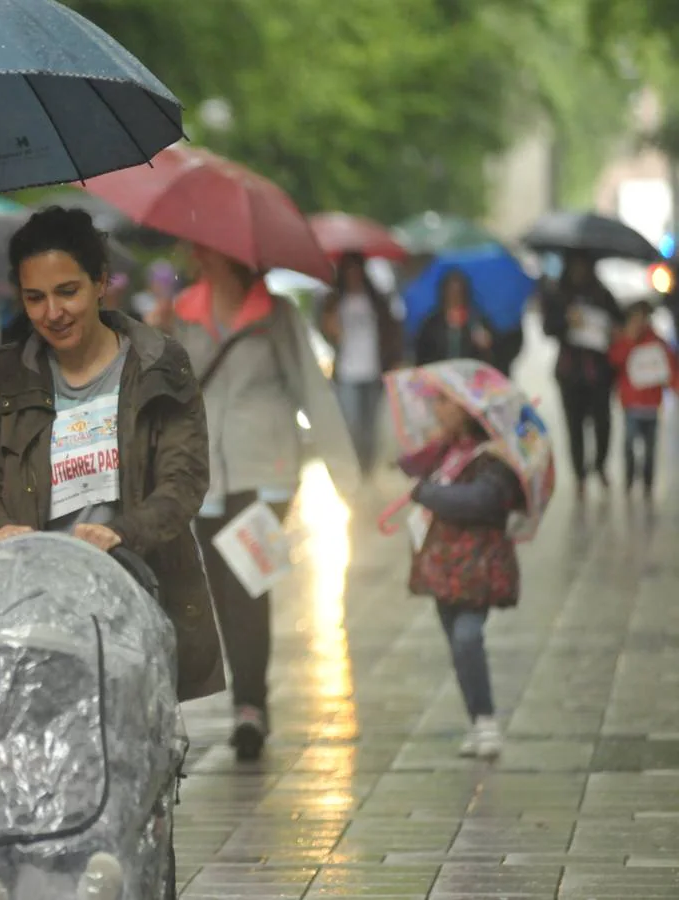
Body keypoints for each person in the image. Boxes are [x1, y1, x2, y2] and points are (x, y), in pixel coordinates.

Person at [0, 206, 223, 705]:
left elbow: (183, 481)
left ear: (101, 282)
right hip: (37, 614)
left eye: (67, 291)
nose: (52, 312)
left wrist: (122, 532)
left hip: (138, 601)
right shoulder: (5, 377)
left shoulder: (158, 364)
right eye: (35, 298)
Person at [150, 243, 358, 761]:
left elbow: (311, 388)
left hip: (268, 472)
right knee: (221, 589)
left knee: (248, 582)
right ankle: (248, 702)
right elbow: (164, 390)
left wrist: (345, 477)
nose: (204, 259)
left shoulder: (276, 313)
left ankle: (250, 709)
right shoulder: (182, 313)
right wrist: (154, 337)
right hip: (205, 473)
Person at [397, 390, 525, 759]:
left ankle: (485, 721)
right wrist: (433, 446)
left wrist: (428, 493)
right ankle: (477, 720)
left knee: (467, 637)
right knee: (457, 645)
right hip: (443, 567)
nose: (436, 409)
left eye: (443, 402)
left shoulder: (493, 457)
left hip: (478, 568)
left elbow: (480, 501)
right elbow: (405, 464)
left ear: (467, 410)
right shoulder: (445, 450)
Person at [541, 251, 623, 494]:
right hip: (570, 371)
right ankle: (580, 474)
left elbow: (617, 322)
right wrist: (567, 321)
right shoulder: (558, 295)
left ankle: (600, 464)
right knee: (574, 426)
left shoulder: (602, 294)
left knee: (602, 423)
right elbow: (548, 328)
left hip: (599, 372)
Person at [317, 253, 403, 477]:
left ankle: (368, 468)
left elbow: (391, 331)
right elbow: (328, 334)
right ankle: (357, 466)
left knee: (370, 426)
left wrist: (393, 358)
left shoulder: (376, 301)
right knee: (352, 423)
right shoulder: (334, 302)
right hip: (348, 372)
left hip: (373, 370)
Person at [607, 302, 677, 499]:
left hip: (651, 406)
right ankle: (629, 480)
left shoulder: (657, 343)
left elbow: (669, 369)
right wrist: (627, 340)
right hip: (631, 405)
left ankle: (647, 483)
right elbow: (614, 360)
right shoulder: (624, 342)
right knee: (629, 445)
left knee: (650, 449)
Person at [414, 269, 495, 366]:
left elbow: (491, 353)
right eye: (451, 292)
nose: (454, 296)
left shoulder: (476, 320)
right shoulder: (432, 322)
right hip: (439, 374)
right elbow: (422, 353)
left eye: (458, 292)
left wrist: (485, 344)